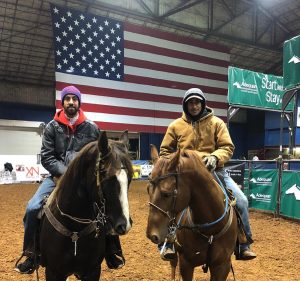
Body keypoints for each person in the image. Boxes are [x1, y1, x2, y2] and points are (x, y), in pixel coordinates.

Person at [15, 85, 125, 274]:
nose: (71, 102)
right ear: (63, 102)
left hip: (85, 179)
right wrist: (65, 175)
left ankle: (112, 251)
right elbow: (47, 156)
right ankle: (31, 253)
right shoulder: (51, 127)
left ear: (79, 103)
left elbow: (100, 154)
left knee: (105, 206)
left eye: (75, 99)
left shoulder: (92, 128)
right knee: (32, 208)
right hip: (57, 177)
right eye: (68, 99)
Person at [158, 87, 257, 261]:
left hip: (214, 171)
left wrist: (215, 157)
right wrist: (180, 162)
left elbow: (228, 147)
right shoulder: (175, 126)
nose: (194, 106)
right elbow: (165, 151)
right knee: (169, 201)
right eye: (190, 103)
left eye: (197, 102)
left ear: (203, 104)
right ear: (185, 105)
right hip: (185, 174)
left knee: (241, 200)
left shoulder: (217, 123)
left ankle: (243, 243)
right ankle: (168, 242)